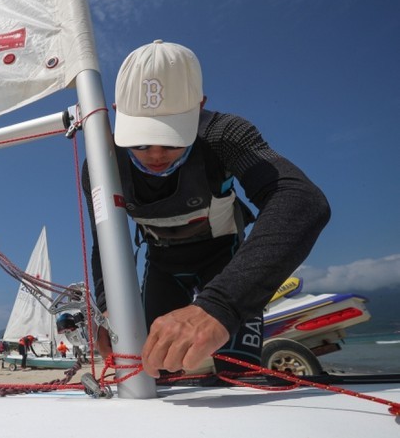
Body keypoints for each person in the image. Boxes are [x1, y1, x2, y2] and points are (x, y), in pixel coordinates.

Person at [82, 40, 330, 378]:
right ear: (116, 111)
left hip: (224, 261)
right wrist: (107, 307)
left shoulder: (224, 135)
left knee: (238, 371)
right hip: (162, 266)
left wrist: (219, 306)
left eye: (171, 139)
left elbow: (301, 200)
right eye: (139, 141)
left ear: (200, 107)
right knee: (158, 372)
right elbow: (105, 242)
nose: (155, 154)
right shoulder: (101, 164)